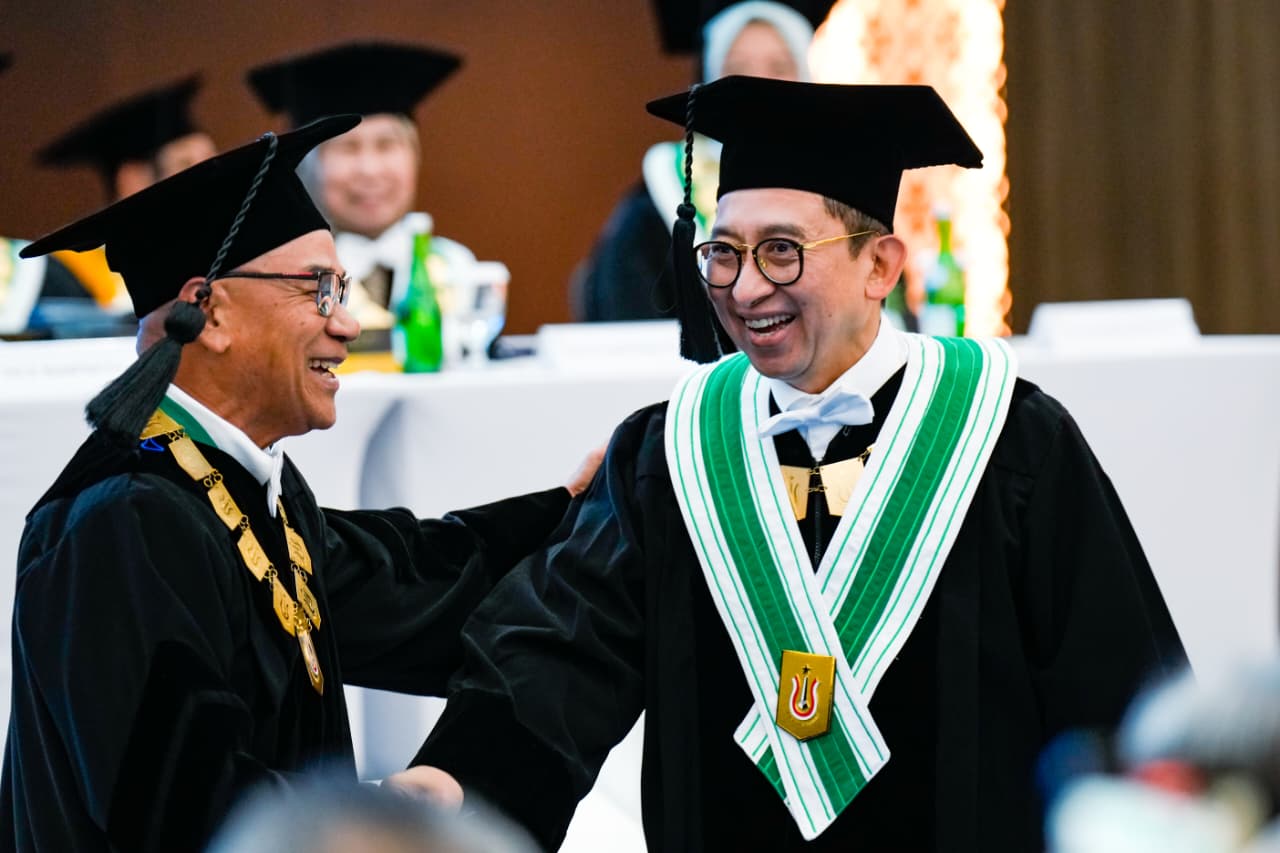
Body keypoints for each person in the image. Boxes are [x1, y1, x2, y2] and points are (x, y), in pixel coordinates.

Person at [388, 77, 1188, 851]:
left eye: (780, 250)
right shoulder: (674, 450)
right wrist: (462, 778)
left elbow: (1114, 697)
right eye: (723, 253)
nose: (743, 287)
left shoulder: (1010, 440)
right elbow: (561, 652)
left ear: (881, 266)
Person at [1, 115, 595, 852]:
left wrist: (583, 513)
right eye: (318, 289)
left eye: (341, 288)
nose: (347, 323)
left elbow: (407, 580)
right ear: (210, 310)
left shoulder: (236, 485)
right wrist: (392, 808)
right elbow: (179, 809)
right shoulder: (120, 522)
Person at [572, 1, 819, 322]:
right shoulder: (661, 199)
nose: (759, 84)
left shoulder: (840, 194)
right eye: (736, 69)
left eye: (780, 66)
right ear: (711, 81)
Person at [247, 41, 478, 342]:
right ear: (307, 167)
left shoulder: (457, 270)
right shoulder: (284, 282)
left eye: (386, 145)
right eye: (348, 147)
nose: (369, 170)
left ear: (415, 157)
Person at [34, 73, 219, 317]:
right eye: (188, 166)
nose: (214, 180)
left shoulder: (221, 264)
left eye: (213, 162)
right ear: (132, 180)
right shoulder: (62, 277)